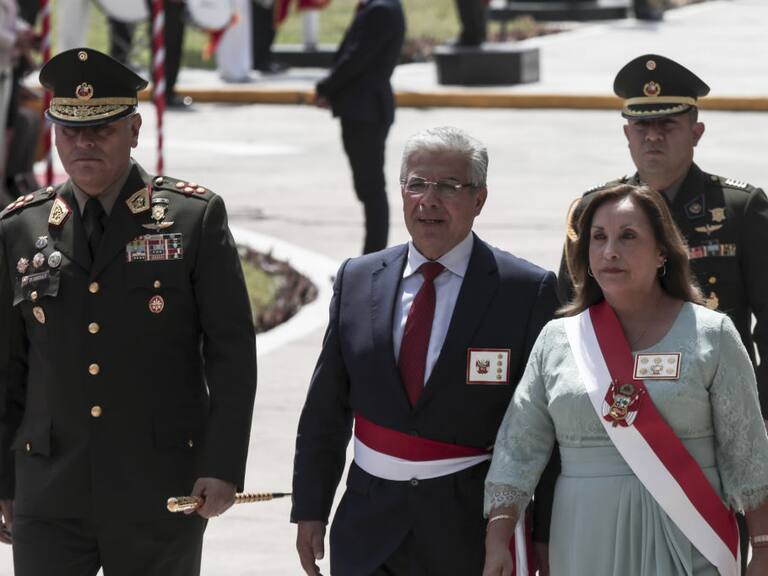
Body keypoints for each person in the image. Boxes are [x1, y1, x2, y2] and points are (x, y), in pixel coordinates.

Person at [0, 48, 257, 575]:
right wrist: (2, 480)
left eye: (101, 129)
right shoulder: (20, 228)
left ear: (135, 129)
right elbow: (8, 369)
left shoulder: (192, 218)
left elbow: (231, 354)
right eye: (69, 131)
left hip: (159, 486)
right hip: (50, 489)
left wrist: (222, 466)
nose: (83, 143)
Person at [291, 126, 559, 575]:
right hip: (367, 525)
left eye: (449, 186)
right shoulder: (358, 279)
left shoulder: (525, 291)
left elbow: (544, 429)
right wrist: (311, 508)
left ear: (480, 199)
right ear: (401, 192)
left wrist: (543, 535)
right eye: (417, 183)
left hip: (469, 530)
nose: (429, 200)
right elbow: (325, 408)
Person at [484, 184, 768, 575]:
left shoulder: (712, 334)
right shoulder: (558, 339)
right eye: (598, 238)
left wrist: (763, 548)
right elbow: (519, 447)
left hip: (691, 538)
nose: (610, 251)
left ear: (662, 251)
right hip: (583, 537)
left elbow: (748, 454)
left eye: (628, 237)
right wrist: (499, 536)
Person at [558, 54, 768, 566]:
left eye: (667, 124)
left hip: (713, 434)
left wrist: (755, 417)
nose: (653, 137)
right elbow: (569, 325)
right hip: (616, 433)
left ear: (696, 131)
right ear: (626, 134)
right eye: (642, 125)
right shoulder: (595, 212)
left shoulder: (740, 210)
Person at [314, 0, 405, 255]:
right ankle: (373, 256)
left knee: (371, 189)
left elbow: (357, 57)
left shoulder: (380, 9)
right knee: (369, 189)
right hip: (364, 109)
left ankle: (374, 258)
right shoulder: (381, 6)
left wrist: (326, 88)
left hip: (365, 111)